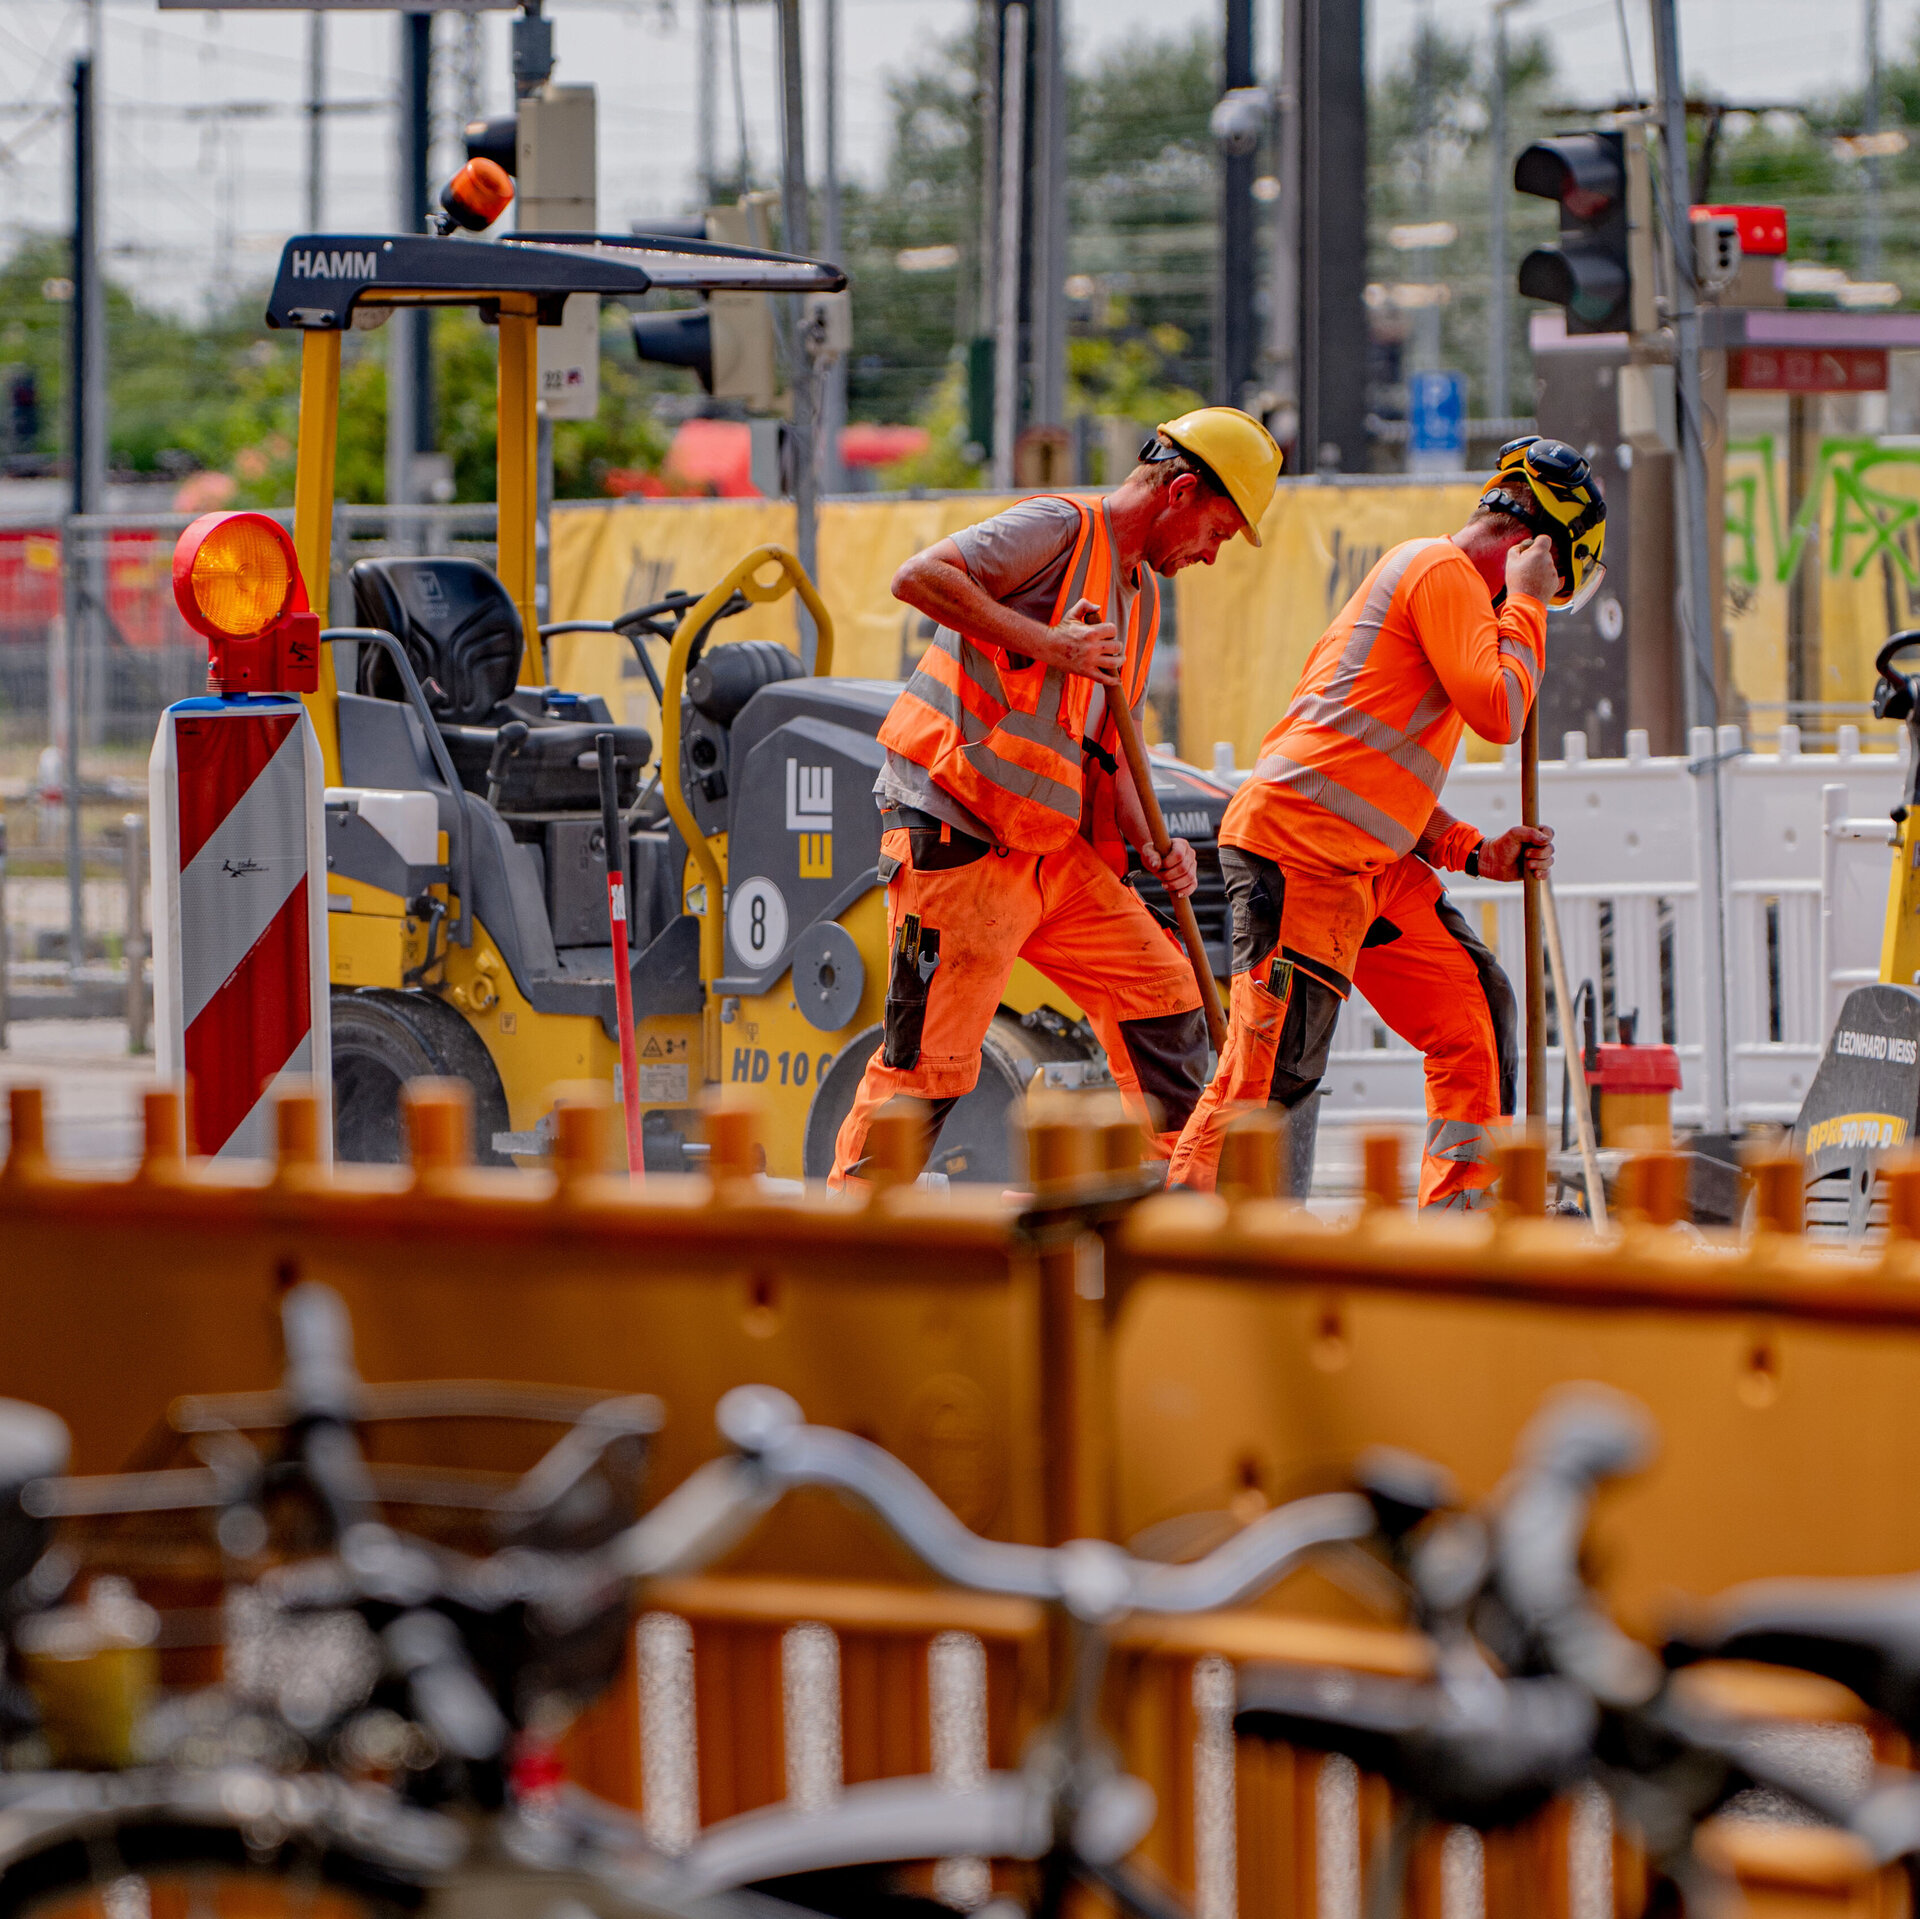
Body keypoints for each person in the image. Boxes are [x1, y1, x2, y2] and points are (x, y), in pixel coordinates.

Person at [829, 408, 1286, 1187]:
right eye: (1217, 532)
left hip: (1043, 853)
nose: (1212, 556)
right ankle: (853, 1238)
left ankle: (1180, 1205)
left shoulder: (1139, 594)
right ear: (1180, 490)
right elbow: (920, 577)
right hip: (957, 832)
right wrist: (1050, 644)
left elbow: (1110, 748)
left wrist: (1154, 845)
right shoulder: (1061, 528)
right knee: (929, 1065)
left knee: (1164, 992)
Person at [1166, 435, 1607, 1210]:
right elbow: (1501, 709)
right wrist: (1531, 599)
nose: (1530, 604)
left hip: (1365, 860)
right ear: (1536, 544)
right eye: (1552, 575)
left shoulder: (1454, 596)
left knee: (1472, 1005)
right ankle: (1183, 1240)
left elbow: (1382, 780)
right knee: (1265, 1073)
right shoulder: (1440, 571)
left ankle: (1459, 1216)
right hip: (1298, 848)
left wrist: (1477, 852)